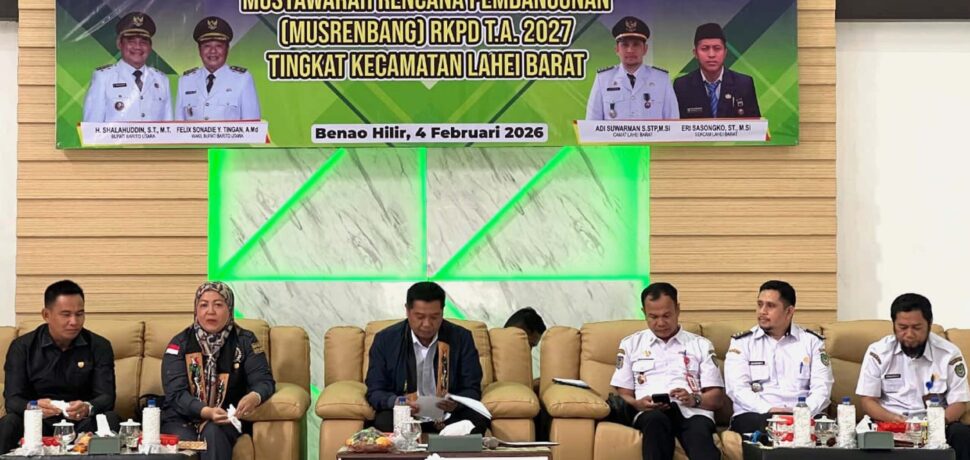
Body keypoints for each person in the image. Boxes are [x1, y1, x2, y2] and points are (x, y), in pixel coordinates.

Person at [0, 280, 120, 454]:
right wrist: (34, 407)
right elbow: (12, 400)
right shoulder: (23, 347)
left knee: (111, 418)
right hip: (38, 422)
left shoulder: (99, 346)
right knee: (9, 422)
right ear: (46, 315)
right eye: (66, 314)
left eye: (79, 314)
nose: (74, 321)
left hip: (81, 422)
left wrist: (87, 407)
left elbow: (107, 397)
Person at [161, 282, 275, 460]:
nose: (210, 311)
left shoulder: (245, 341)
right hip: (182, 418)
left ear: (229, 309)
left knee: (213, 432)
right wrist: (206, 411)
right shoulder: (180, 343)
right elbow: (176, 394)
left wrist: (254, 396)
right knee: (184, 444)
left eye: (218, 304)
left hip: (225, 419)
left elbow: (264, 381)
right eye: (203, 305)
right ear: (196, 310)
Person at [611, 282, 723, 460]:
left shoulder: (700, 345)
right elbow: (623, 395)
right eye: (653, 317)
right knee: (656, 421)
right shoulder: (631, 344)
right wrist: (638, 404)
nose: (661, 323)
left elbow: (716, 398)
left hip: (692, 412)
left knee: (699, 434)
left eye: (666, 315)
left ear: (677, 310)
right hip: (650, 414)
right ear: (644, 313)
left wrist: (694, 399)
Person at [366, 282, 489, 434]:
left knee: (477, 421)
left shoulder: (461, 338)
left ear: (442, 312)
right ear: (407, 311)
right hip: (404, 414)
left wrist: (456, 403)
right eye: (420, 317)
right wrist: (398, 402)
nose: (427, 324)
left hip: (448, 415)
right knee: (383, 421)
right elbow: (375, 390)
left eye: (434, 317)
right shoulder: (385, 340)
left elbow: (472, 388)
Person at [856, 293, 970, 459]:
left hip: (936, 426)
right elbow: (868, 400)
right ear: (894, 325)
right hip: (889, 424)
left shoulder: (949, 354)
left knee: (962, 434)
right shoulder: (878, 352)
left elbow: (959, 402)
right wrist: (893, 420)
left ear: (929, 324)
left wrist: (935, 424)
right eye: (902, 327)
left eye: (917, 328)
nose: (909, 334)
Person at [724, 280, 833, 437]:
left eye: (770, 306)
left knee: (829, 429)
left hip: (802, 414)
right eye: (760, 304)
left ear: (789, 311)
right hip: (757, 414)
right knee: (767, 427)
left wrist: (801, 413)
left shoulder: (812, 342)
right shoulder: (742, 343)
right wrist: (769, 410)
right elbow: (737, 388)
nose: (762, 311)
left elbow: (822, 387)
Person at [82, 12, 172, 122]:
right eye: (131, 41)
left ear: (150, 47)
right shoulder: (103, 77)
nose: (137, 47)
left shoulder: (162, 80)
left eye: (143, 42)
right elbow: (92, 126)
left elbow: (169, 126)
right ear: (119, 44)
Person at [586, 16, 679, 120]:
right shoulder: (603, 79)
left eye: (636, 44)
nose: (630, 50)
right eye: (625, 45)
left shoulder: (661, 79)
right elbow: (592, 123)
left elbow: (673, 121)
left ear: (645, 49)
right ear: (617, 49)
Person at [176, 17, 261, 121]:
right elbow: (178, 125)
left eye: (219, 46)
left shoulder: (242, 79)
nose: (213, 51)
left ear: (227, 49)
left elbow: (252, 125)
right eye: (207, 46)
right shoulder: (185, 81)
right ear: (199, 50)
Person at [673, 23, 761, 119]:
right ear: (695, 53)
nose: (711, 55)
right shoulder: (682, 86)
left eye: (717, 48)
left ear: (725, 52)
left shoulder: (744, 84)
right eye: (705, 49)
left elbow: (755, 125)